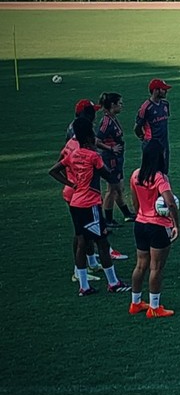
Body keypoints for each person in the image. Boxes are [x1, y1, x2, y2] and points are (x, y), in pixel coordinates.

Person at [50, 117, 131, 294]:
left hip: (76, 202)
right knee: (102, 243)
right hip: (90, 204)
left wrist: (71, 184)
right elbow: (108, 175)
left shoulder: (73, 154)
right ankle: (113, 283)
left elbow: (53, 170)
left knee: (81, 242)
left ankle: (84, 286)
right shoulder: (93, 156)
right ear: (89, 138)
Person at [129, 140, 179, 318]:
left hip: (140, 223)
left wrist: (141, 215)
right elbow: (170, 202)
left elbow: (135, 202)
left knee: (140, 265)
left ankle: (135, 303)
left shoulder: (136, 175)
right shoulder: (159, 177)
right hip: (157, 226)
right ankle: (155, 307)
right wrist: (175, 224)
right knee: (156, 267)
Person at [59, 104, 103, 286]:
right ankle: (79, 272)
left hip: (72, 192)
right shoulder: (81, 148)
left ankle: (90, 263)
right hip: (81, 194)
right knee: (82, 235)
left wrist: (69, 182)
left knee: (83, 233)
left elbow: (58, 164)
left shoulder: (70, 143)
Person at [96, 92, 134, 228]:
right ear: (113, 105)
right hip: (110, 158)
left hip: (116, 158)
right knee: (112, 189)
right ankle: (108, 219)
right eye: (120, 103)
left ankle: (127, 214)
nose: (122, 106)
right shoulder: (106, 122)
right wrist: (110, 149)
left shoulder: (112, 118)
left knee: (119, 188)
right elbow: (97, 140)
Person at [134, 78, 171, 174]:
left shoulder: (165, 104)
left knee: (163, 172)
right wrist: (143, 137)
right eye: (163, 89)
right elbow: (137, 127)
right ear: (155, 91)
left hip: (164, 144)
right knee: (150, 172)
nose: (166, 91)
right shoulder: (146, 107)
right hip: (151, 145)